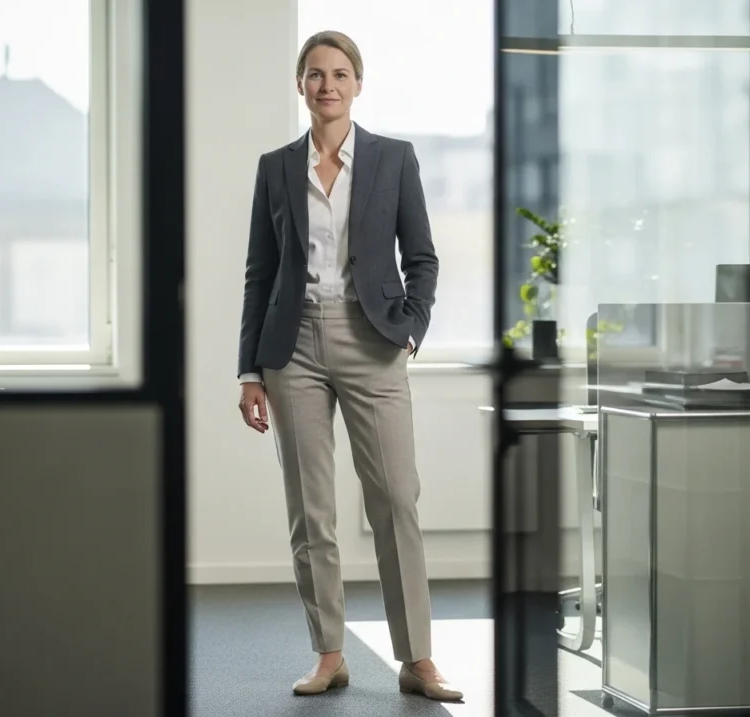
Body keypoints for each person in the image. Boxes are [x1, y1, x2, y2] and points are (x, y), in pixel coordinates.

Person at [236, 30, 463, 702]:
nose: (327, 85)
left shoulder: (394, 160)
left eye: (339, 74)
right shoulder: (276, 167)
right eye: (314, 74)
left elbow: (421, 257)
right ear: (301, 86)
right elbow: (259, 273)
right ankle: (330, 653)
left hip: (374, 339)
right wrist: (249, 369)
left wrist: (411, 330)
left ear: (357, 84)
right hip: (293, 347)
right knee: (311, 509)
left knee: (396, 498)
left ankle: (417, 657)